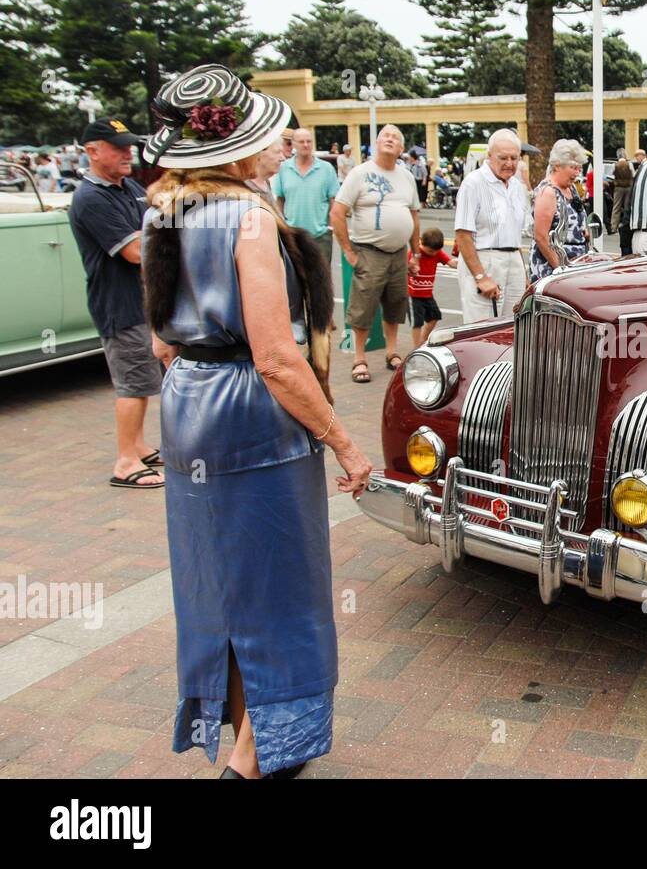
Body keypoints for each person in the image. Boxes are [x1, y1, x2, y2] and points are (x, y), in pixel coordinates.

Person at [139, 63, 371, 780]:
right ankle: (256, 756)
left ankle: (250, 730)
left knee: (216, 584)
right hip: (252, 415)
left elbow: (161, 341)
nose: (274, 146)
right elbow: (274, 356)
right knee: (280, 587)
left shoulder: (162, 211)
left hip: (187, 404)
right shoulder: (248, 218)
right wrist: (343, 442)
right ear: (237, 151)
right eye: (263, 139)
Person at [67, 118, 163, 490]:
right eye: (118, 147)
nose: (128, 153)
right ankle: (125, 461)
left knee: (143, 379)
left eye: (128, 146)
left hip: (142, 301)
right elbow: (136, 250)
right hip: (119, 305)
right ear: (92, 152)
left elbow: (154, 226)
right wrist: (158, 233)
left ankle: (139, 446)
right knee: (132, 384)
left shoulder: (129, 187)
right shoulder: (91, 198)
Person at [331, 124, 421, 383]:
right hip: (369, 251)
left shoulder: (406, 177)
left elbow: (414, 216)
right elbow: (337, 213)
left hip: (399, 253)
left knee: (395, 304)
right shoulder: (360, 174)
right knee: (363, 307)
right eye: (385, 136)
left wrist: (415, 253)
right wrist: (348, 251)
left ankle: (392, 352)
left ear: (401, 148)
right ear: (376, 143)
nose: (390, 139)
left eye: (396, 137)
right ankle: (359, 358)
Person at [454, 128, 530, 324]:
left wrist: (522, 274)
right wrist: (480, 276)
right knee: (482, 326)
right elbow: (463, 235)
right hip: (485, 259)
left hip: (513, 260)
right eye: (503, 158)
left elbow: (514, 236)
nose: (509, 163)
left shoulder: (517, 186)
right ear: (489, 156)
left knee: (513, 325)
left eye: (514, 158)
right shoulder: (473, 183)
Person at [274, 128, 339, 268]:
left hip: (320, 236)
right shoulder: (283, 169)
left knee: (321, 277)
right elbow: (280, 200)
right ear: (293, 144)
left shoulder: (326, 169)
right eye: (301, 141)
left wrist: (330, 228)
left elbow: (333, 201)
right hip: (293, 235)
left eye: (309, 141)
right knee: (295, 276)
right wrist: (283, 226)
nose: (306, 145)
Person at [529, 139, 589, 281]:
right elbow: (541, 237)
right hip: (553, 268)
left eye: (579, 168)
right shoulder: (548, 192)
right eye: (573, 168)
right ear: (557, 166)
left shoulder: (571, 188)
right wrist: (560, 268)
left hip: (574, 265)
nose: (577, 173)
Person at [407, 227, 457, 348]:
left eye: (436, 251)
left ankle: (423, 340)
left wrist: (462, 263)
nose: (433, 254)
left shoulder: (437, 253)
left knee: (434, 317)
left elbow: (451, 263)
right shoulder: (415, 254)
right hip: (413, 294)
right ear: (422, 243)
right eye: (430, 251)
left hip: (427, 294)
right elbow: (404, 267)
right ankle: (416, 347)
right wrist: (411, 269)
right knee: (417, 322)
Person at [245, 145, 283, 212]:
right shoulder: (246, 189)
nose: (283, 158)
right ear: (258, 155)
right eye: (277, 152)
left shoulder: (265, 182)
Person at [609, 148, 634, 236]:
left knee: (616, 207)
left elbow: (611, 176)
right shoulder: (629, 164)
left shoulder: (615, 165)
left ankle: (613, 227)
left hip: (618, 187)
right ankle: (627, 224)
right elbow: (633, 175)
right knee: (627, 207)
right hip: (628, 187)